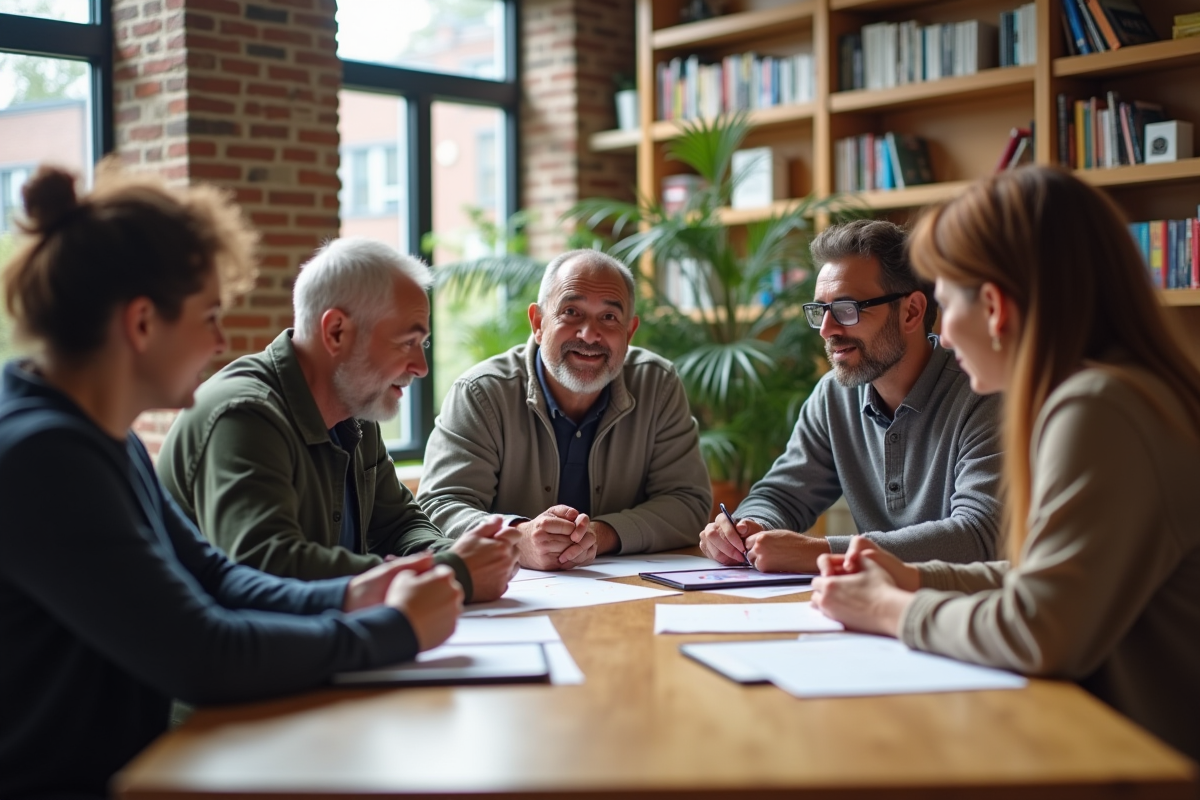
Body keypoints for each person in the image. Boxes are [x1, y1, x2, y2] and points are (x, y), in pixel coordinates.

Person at [0, 163, 465, 799]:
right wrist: (393, 630)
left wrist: (352, 594)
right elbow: (201, 652)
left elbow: (214, 575)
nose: (221, 342)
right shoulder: (44, 456)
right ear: (142, 323)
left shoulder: (101, 435)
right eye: (210, 316)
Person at [810, 166, 1200, 762]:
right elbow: (1037, 578)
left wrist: (887, 608)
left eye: (944, 303)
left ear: (993, 307)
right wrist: (913, 577)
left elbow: (1039, 630)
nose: (942, 333)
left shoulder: (1099, 408)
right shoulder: (1115, 393)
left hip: (1144, 764)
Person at [158, 238, 520, 603]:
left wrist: (465, 559)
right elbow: (266, 565)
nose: (421, 367)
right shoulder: (245, 415)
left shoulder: (357, 410)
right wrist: (454, 572)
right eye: (407, 342)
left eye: (422, 344)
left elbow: (399, 525)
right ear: (336, 332)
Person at [700, 220, 1002, 573]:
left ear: (911, 312)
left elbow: (979, 535)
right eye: (820, 311)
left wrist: (823, 552)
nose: (827, 330)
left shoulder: (984, 393)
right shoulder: (834, 395)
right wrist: (749, 527)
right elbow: (782, 494)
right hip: (867, 601)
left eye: (847, 309)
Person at [418, 249, 712, 570]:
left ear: (629, 333)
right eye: (571, 312)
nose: (589, 334)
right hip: (511, 591)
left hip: (626, 587)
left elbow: (688, 503)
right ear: (538, 322)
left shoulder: (658, 384)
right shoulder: (480, 392)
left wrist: (600, 535)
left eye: (609, 317)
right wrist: (518, 538)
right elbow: (439, 506)